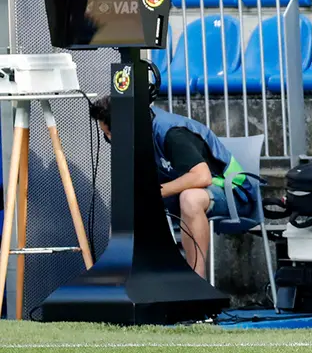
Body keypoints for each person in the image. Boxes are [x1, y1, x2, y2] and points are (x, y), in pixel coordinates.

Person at [89, 96, 257, 279]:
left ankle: (196, 282)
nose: (110, 140)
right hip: (181, 193)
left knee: (190, 198)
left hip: (233, 194)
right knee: (125, 202)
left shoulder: (171, 132)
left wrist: (151, 193)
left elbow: (202, 177)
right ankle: (122, 280)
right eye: (106, 136)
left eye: (112, 134)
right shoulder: (139, 137)